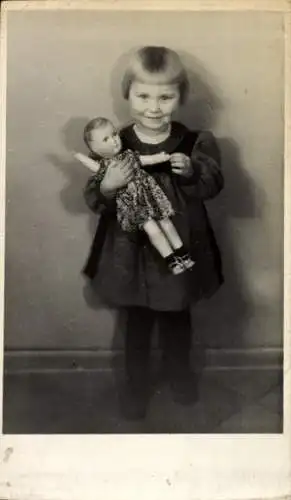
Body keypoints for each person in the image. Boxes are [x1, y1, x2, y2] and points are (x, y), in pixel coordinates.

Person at [83, 46, 224, 419]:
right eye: (143, 95)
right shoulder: (115, 145)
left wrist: (193, 172)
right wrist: (109, 186)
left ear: (181, 97)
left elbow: (212, 185)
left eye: (166, 96)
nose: (154, 107)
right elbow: (95, 198)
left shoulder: (195, 143)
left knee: (178, 318)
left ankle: (180, 375)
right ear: (127, 93)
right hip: (132, 254)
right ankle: (135, 386)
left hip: (179, 250)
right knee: (137, 325)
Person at [75, 117, 195, 275]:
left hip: (151, 195)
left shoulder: (129, 155)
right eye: (106, 139)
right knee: (152, 229)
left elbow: (146, 160)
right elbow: (94, 167)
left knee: (166, 222)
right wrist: (77, 156)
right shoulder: (106, 167)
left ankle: (183, 254)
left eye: (114, 134)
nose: (114, 140)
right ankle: (171, 259)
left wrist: (163, 156)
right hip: (134, 204)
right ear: (95, 150)